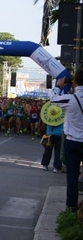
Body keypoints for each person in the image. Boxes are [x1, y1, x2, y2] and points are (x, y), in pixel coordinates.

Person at [50, 70, 83, 210]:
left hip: (73, 142)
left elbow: (53, 98)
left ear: (74, 82)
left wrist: (58, 85)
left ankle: (71, 207)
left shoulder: (71, 99)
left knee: (72, 176)